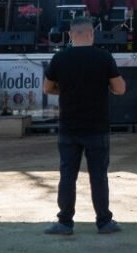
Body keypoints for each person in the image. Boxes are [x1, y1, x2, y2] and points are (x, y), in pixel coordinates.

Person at [43, 18, 126, 235]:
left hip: (68, 126)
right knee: (98, 175)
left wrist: (67, 90)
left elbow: (47, 88)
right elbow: (119, 89)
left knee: (67, 175)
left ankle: (65, 222)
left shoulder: (59, 58)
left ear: (70, 35)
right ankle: (104, 222)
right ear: (91, 35)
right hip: (96, 126)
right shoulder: (103, 57)